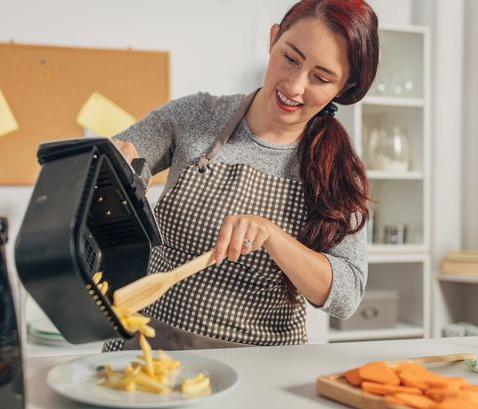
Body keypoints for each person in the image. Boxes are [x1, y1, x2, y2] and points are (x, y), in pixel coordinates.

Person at [105, 0, 379, 351]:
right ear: (273, 39)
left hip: (259, 365)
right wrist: (113, 167)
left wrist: (274, 237)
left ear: (344, 86)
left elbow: (346, 297)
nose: (294, 87)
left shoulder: (339, 171)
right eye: (290, 58)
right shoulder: (197, 116)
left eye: (321, 78)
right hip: (151, 347)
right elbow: (122, 158)